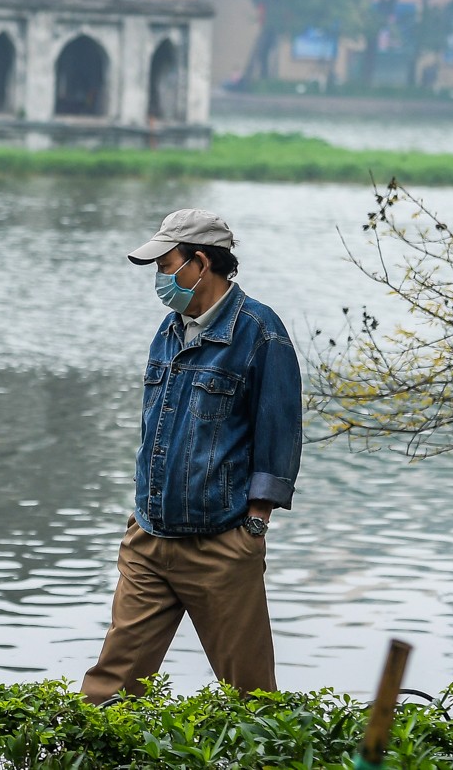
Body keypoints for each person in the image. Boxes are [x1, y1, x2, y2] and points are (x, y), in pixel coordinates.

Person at [80, 208, 303, 701]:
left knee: (252, 701)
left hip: (221, 544)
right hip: (150, 538)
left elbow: (280, 435)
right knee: (106, 696)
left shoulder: (260, 332)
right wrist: (141, 510)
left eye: (166, 265)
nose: (160, 278)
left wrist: (254, 525)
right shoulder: (169, 329)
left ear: (200, 263)